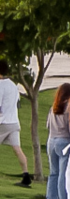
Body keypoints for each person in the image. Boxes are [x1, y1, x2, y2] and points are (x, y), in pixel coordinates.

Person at [0, 60, 32, 188]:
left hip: (3, 122)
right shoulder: (13, 85)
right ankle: (26, 176)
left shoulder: (0, 85)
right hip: (14, 122)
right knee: (17, 149)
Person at [45, 83, 70, 199]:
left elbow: (48, 125)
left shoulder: (53, 107)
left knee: (53, 172)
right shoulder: (69, 108)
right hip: (64, 141)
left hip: (51, 140)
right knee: (63, 173)